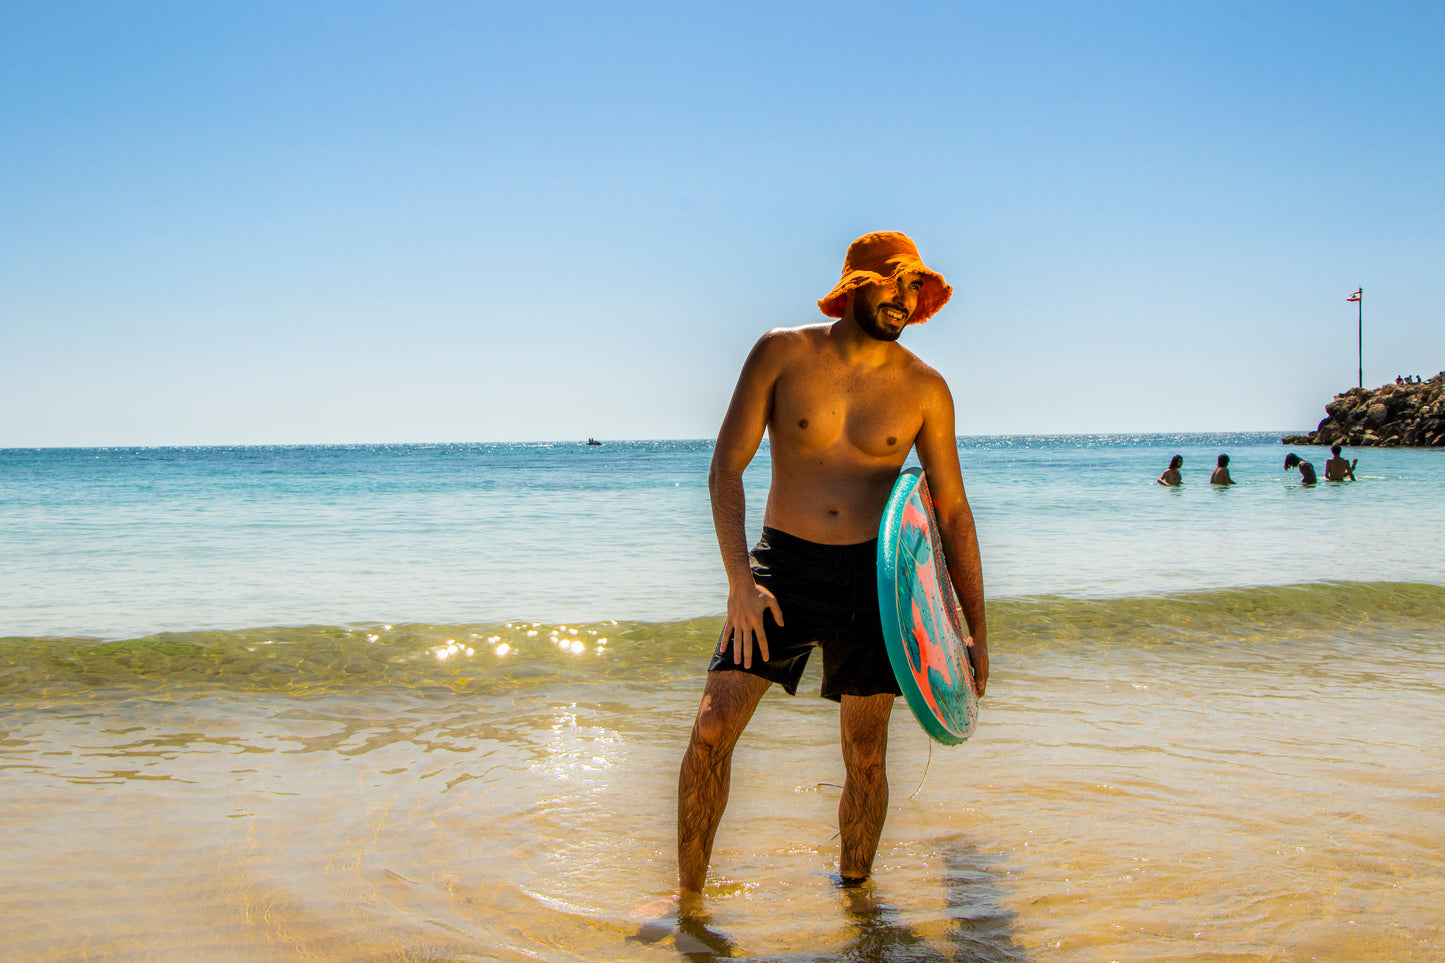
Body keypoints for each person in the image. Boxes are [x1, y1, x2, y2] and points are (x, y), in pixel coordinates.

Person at [676, 231, 988, 903]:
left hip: (877, 582)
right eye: (893, 282)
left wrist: (972, 630)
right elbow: (724, 469)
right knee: (710, 727)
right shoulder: (780, 353)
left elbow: (953, 512)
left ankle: (856, 905)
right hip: (780, 569)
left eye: (914, 287)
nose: (905, 298)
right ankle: (688, 903)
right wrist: (739, 582)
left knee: (866, 751)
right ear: (854, 287)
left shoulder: (925, 389)